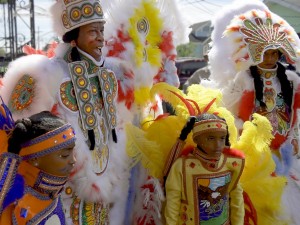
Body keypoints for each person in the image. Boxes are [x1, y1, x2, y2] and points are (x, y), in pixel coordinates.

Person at [204, 0, 300, 223]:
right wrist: (242, 133)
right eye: (265, 53)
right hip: (255, 153)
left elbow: (294, 116)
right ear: (256, 52)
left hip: (283, 150)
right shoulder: (245, 78)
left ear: (280, 53)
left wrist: (293, 137)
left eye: (274, 53)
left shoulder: (292, 80)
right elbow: (229, 108)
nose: (270, 58)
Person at [164, 113, 245, 225]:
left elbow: (237, 201)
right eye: (211, 138)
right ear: (197, 139)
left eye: (222, 138)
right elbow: (172, 203)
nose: (218, 145)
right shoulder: (182, 166)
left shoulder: (231, 165)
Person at [0, 108, 76, 224]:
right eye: (65, 155)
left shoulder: (51, 194)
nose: (73, 160)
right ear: (35, 159)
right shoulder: (22, 209)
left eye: (72, 152)